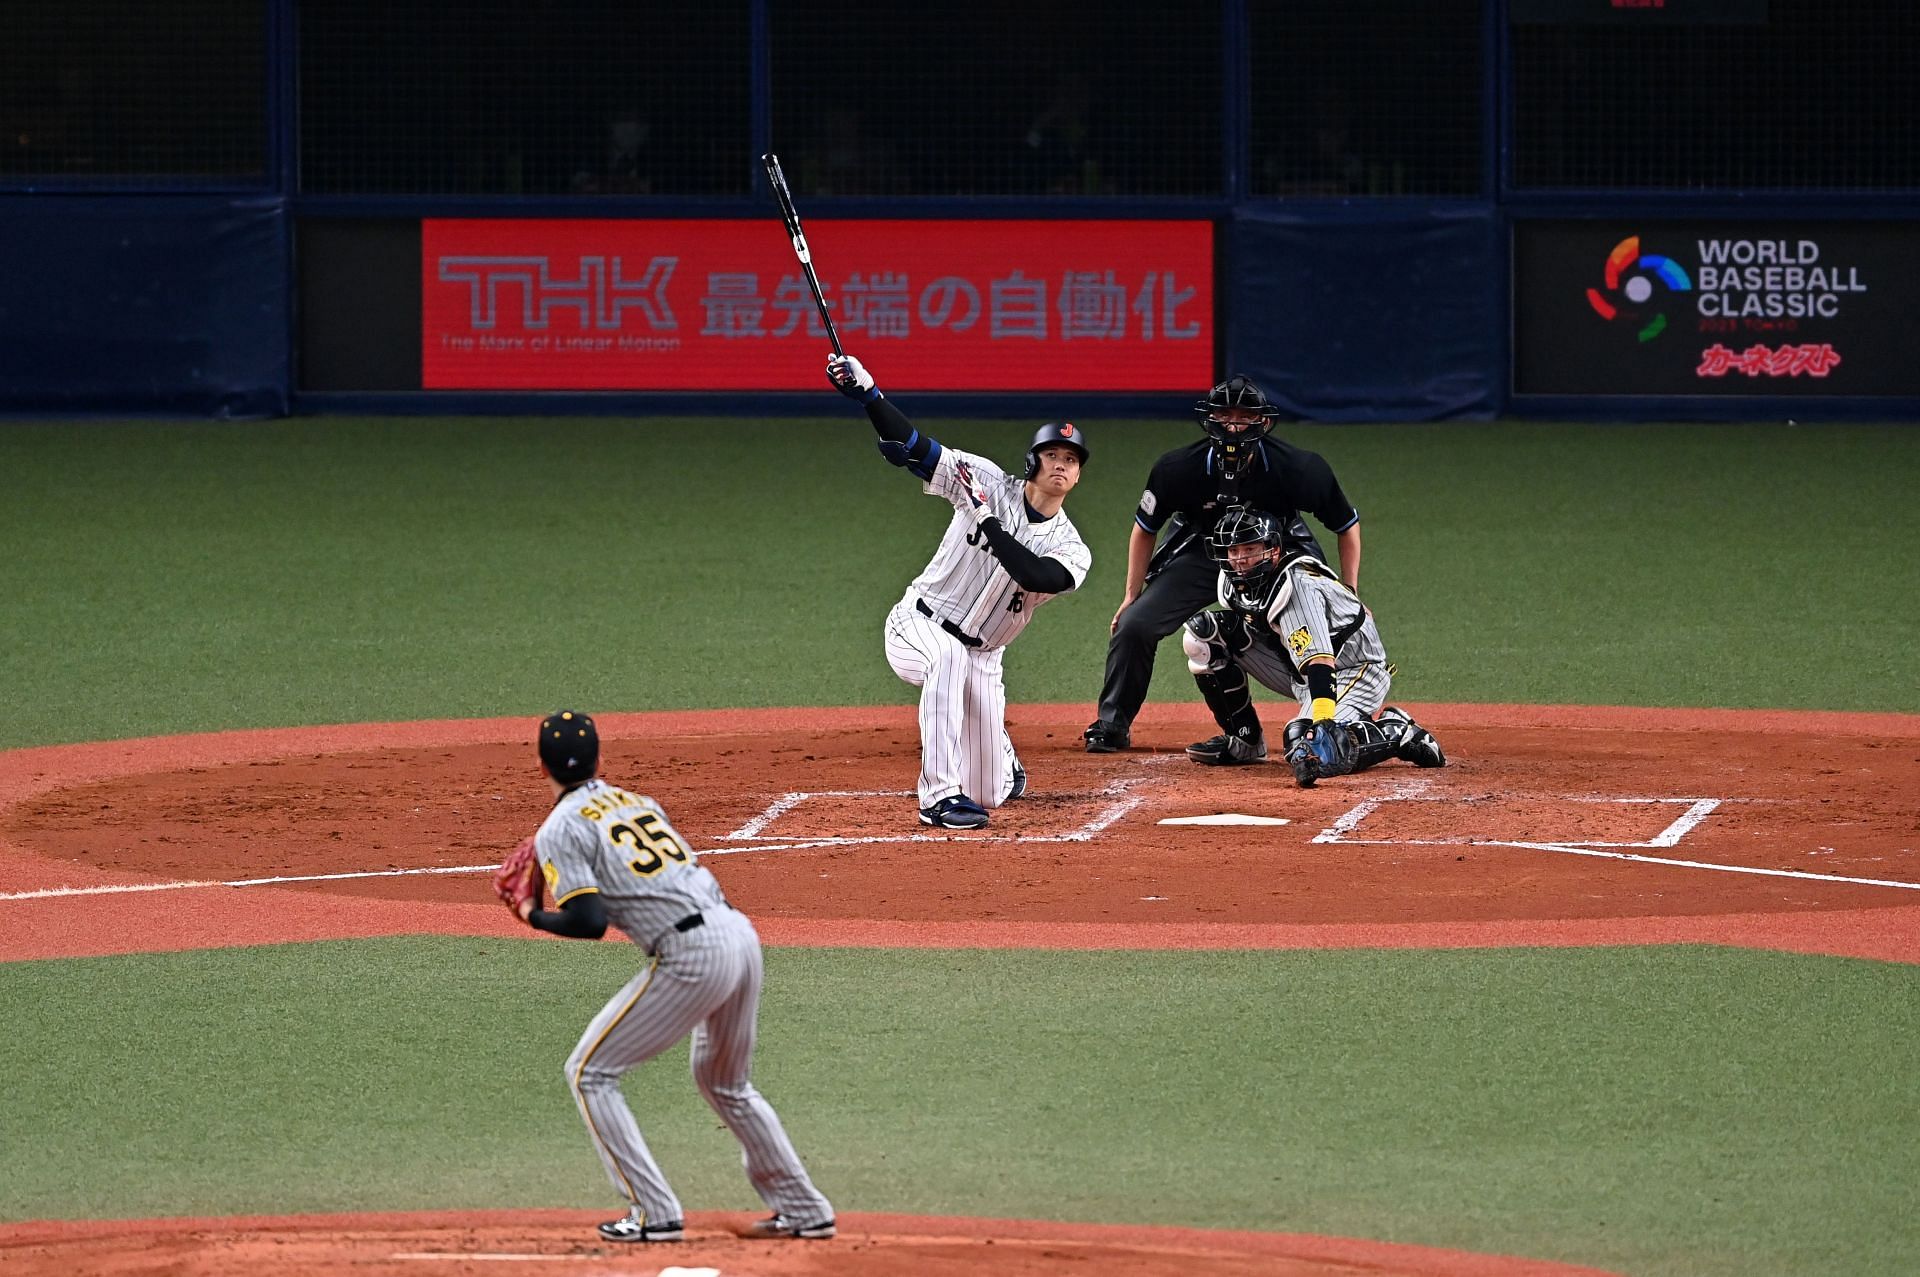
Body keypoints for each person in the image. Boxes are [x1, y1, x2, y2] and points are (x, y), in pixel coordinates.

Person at [498, 710, 837, 1244]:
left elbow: (589, 923)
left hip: (693, 953)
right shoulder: (637, 803)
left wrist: (527, 912)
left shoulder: (560, 826)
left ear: (541, 766)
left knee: (589, 1072)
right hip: (739, 935)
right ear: (599, 760)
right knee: (726, 1082)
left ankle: (654, 1214)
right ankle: (803, 1209)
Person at [826, 352, 1092, 829]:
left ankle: (1000, 759)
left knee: (991, 792)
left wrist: (986, 520)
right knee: (945, 657)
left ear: (1077, 476)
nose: (1060, 464)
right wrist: (870, 395)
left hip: (986, 659)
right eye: (1052, 454)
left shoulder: (1072, 548)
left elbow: (1033, 575)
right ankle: (939, 797)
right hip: (919, 623)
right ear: (1033, 460)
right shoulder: (984, 478)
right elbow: (913, 444)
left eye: (1070, 460)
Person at [1085, 374, 1360, 753]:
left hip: (1275, 553)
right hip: (1203, 551)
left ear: (1262, 421)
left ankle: (1341, 716)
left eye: (1244, 416)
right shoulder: (1177, 468)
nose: (1233, 424)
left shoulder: (1299, 468)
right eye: (1224, 414)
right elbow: (1143, 529)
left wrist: (1349, 591)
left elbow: (1347, 526)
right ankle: (1112, 724)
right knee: (1135, 625)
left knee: (1325, 629)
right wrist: (1131, 594)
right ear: (1210, 418)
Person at [1179, 509, 1444, 784]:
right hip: (1297, 670)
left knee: (1308, 745)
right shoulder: (1234, 583)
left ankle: (1395, 731)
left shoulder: (1296, 587)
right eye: (1233, 551)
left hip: (1353, 670)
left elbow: (1320, 661)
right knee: (1202, 637)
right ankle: (1244, 740)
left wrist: (1322, 722)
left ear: (1272, 551)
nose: (1240, 560)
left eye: (1250, 549)